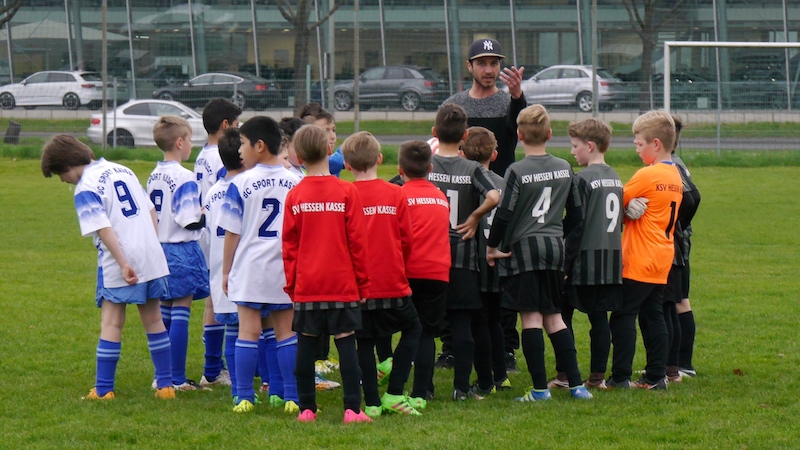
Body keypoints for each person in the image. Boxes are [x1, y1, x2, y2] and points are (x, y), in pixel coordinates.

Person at [41, 134, 175, 400]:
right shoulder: (122, 169)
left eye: (59, 174)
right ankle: (166, 387)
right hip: (151, 253)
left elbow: (103, 228)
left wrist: (124, 263)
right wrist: (153, 244)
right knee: (154, 320)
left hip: (120, 259)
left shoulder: (85, 187)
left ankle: (103, 390)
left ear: (67, 165)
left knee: (112, 322)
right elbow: (150, 210)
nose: (63, 180)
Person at [486, 104, 592, 402]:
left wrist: (493, 247)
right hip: (555, 250)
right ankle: (577, 386)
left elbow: (504, 214)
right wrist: (556, 233)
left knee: (531, 319)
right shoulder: (564, 167)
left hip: (525, 252)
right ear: (549, 134)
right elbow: (577, 215)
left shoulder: (516, 170)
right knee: (555, 318)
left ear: (519, 135)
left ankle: (540, 390)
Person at [443, 38, 527, 372]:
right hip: (464, 198)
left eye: (494, 63)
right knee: (460, 271)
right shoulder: (456, 104)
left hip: (499, 198)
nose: (489, 69)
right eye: (482, 63)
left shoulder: (508, 102)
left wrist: (518, 98)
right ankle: (451, 346)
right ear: (470, 67)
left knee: (499, 272)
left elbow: (520, 130)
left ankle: (505, 348)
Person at [282, 124, 372, 424]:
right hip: (342, 284)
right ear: (330, 150)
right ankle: (352, 409)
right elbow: (358, 242)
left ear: (298, 156)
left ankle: (306, 408)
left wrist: (293, 285)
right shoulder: (346, 191)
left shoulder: (295, 195)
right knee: (346, 343)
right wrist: (362, 283)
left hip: (308, 284)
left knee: (306, 344)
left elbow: (289, 247)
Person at [219, 116, 301, 413]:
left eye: (243, 143)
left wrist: (226, 271)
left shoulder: (240, 183)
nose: (239, 150)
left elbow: (232, 231)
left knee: (248, 332)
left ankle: (244, 397)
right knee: (286, 334)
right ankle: (290, 396)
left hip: (250, 268)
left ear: (260, 146)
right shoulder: (297, 181)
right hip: (284, 268)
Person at [341, 131, 423, 418]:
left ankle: (373, 402)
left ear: (347, 165)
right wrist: (399, 263)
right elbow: (407, 239)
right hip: (391, 279)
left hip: (358, 283)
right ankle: (395, 392)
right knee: (413, 328)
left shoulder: (345, 194)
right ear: (379, 158)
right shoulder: (395, 193)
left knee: (364, 340)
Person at [606, 110, 683, 390]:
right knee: (653, 315)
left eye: (639, 143)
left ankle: (620, 377)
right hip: (662, 255)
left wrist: (626, 208)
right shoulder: (675, 175)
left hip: (639, 256)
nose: (636, 148)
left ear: (656, 144)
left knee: (623, 316)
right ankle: (656, 376)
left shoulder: (647, 175)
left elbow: (612, 202)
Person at [428, 103, 500, 401]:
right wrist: (474, 217)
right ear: (464, 135)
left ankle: (424, 389)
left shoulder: (427, 164)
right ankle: (461, 388)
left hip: (430, 256)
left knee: (426, 326)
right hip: (463, 256)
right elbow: (494, 195)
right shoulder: (471, 168)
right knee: (462, 324)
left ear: (434, 132)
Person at [553, 118, 623, 390]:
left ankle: (564, 375)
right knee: (599, 318)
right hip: (610, 260)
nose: (572, 151)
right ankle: (597, 377)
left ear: (590, 146)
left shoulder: (582, 179)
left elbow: (577, 225)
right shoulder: (614, 176)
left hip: (586, 260)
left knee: (561, 314)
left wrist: (566, 264)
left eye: (575, 146)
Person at [147, 116, 210, 391]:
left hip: (159, 249)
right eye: (191, 140)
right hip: (181, 250)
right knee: (181, 312)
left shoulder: (154, 174)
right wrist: (206, 213)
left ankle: (161, 376)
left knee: (164, 314)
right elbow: (189, 220)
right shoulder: (184, 176)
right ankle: (177, 378)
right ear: (180, 142)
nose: (192, 145)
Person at [398, 139, 452, 409]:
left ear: (400, 170)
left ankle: (395, 384)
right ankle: (423, 389)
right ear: (430, 168)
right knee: (428, 333)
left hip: (407, 270)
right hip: (437, 271)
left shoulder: (400, 195)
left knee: (409, 330)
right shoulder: (441, 197)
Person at [459, 126, 511, 394]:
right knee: (494, 321)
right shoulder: (503, 182)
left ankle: (485, 380)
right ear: (494, 154)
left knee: (479, 321)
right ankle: (501, 375)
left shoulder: (468, 181)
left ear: (463, 153)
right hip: (499, 259)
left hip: (476, 259)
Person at [194, 98, 242, 389]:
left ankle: (213, 367)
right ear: (226, 125)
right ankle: (216, 368)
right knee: (228, 302)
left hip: (209, 231)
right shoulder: (220, 157)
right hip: (225, 234)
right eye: (236, 124)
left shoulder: (203, 154)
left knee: (214, 300)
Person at [203, 127, 246, 403]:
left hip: (218, 264)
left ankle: (235, 381)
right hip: (242, 265)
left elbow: (206, 235)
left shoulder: (212, 192)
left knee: (232, 326)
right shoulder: (246, 188)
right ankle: (263, 380)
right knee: (258, 328)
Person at [665, 116, 701, 381]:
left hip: (676, 244)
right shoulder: (675, 161)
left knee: (677, 301)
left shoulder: (672, 166)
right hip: (679, 241)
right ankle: (675, 363)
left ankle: (682, 363)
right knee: (678, 300)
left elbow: (693, 198)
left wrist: (677, 225)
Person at [297, 102, 342, 178]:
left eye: (333, 130)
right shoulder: (305, 164)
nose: (333, 136)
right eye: (326, 131)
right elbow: (335, 162)